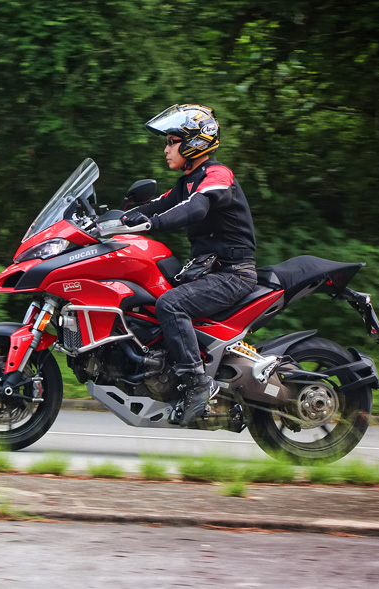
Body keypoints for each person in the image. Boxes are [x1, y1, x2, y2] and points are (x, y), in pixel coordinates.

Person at [121, 104, 258, 427]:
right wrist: (112, 220)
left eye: (171, 141)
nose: (166, 149)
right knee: (153, 302)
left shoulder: (216, 175)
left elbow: (194, 209)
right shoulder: (187, 181)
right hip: (208, 271)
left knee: (170, 304)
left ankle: (197, 383)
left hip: (233, 273)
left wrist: (151, 224)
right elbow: (159, 203)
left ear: (194, 142)